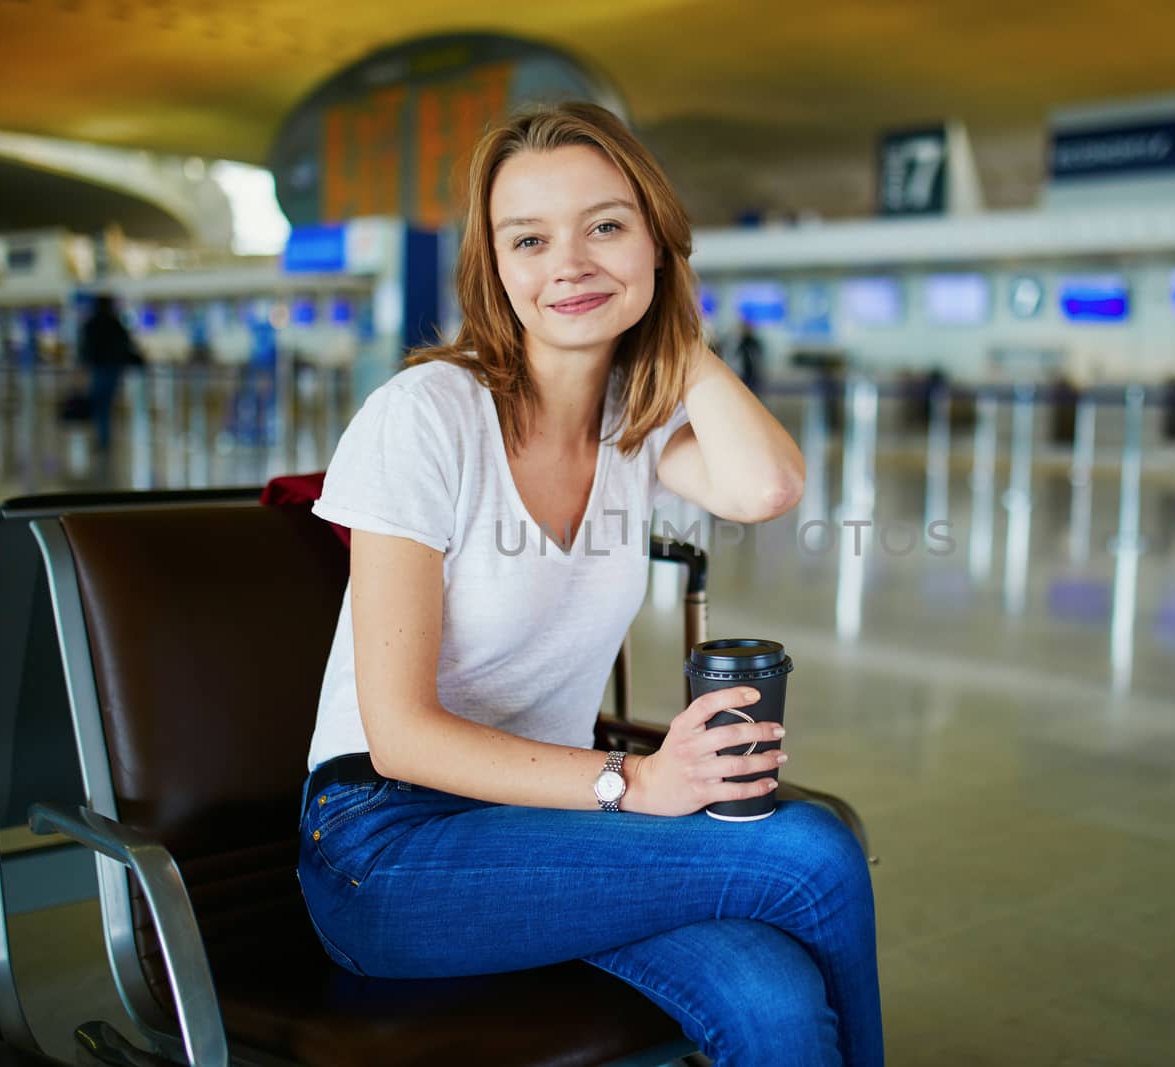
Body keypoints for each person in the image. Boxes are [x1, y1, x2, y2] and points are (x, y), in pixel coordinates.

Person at [299, 102, 882, 1067]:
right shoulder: (425, 417)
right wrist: (637, 779)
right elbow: (397, 736)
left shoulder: (635, 426)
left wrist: (672, 331)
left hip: (553, 827)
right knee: (810, 851)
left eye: (606, 227)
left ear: (658, 242)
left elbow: (766, 486)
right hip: (387, 848)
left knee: (772, 998)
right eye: (529, 239)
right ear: (498, 271)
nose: (568, 263)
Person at [77, 294, 137, 451]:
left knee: (99, 404)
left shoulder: (93, 323)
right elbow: (126, 345)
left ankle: (101, 439)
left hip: (98, 368)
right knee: (105, 405)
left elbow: (85, 349)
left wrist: (83, 366)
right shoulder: (115, 323)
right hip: (113, 368)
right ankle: (103, 438)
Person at [732, 319, 763, 393]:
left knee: (753, 389)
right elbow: (735, 355)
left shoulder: (753, 341)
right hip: (745, 370)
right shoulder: (743, 342)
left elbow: (759, 354)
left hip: (753, 370)